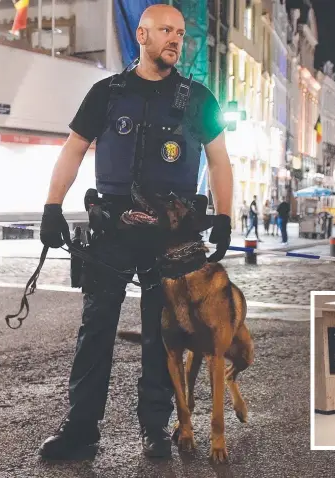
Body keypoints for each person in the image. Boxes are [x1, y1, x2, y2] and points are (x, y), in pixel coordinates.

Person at [37, 4, 233, 459]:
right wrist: (51, 206)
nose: (175, 40)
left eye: (181, 34)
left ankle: (156, 429)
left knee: (162, 335)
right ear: (141, 35)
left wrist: (223, 216)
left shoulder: (199, 98)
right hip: (112, 231)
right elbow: (73, 150)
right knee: (96, 330)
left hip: (172, 237)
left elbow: (220, 160)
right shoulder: (106, 93)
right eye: (166, 31)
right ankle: (81, 430)